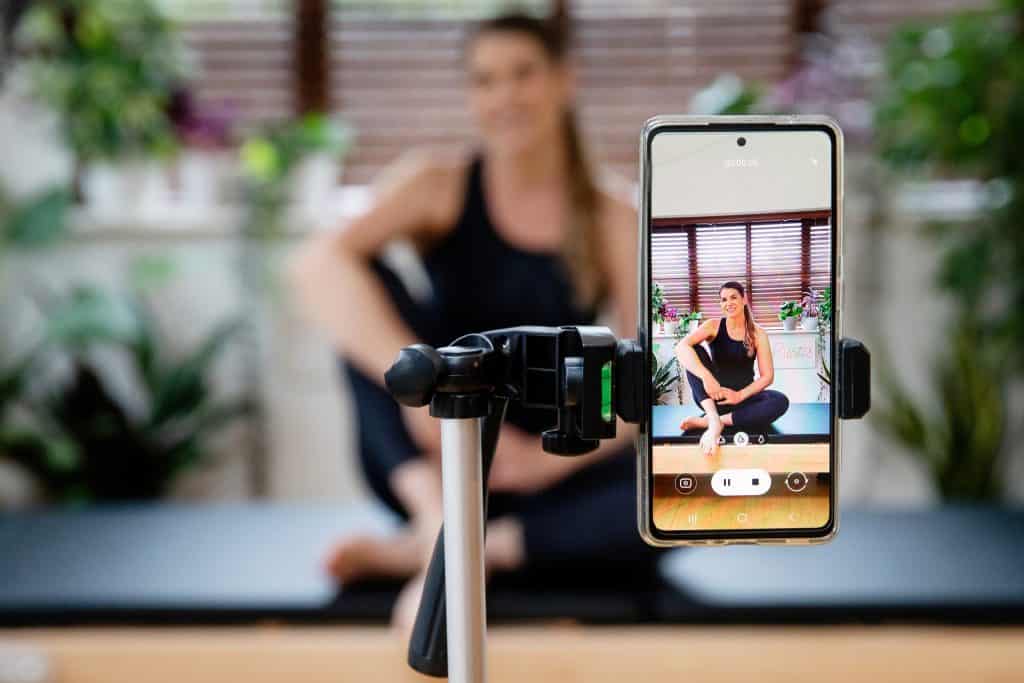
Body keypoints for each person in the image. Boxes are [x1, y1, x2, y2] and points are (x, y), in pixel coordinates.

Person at [290, 11, 656, 630]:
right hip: (436, 456)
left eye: (523, 74)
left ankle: (473, 550)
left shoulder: (613, 213)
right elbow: (314, 264)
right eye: (484, 80)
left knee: (678, 493)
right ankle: (438, 522)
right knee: (360, 297)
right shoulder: (437, 184)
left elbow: (649, 376)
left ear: (565, 81)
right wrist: (426, 404)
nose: (505, 96)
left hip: (548, 468)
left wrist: (540, 461)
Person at [674, 281, 789, 456]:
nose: (728, 303)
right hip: (712, 397)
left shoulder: (758, 334)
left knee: (780, 400)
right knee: (692, 351)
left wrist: (738, 396)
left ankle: (713, 422)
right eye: (724, 299)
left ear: (744, 299)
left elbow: (767, 377)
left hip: (743, 402)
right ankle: (713, 418)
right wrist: (707, 377)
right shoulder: (712, 326)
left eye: (734, 297)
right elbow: (681, 347)